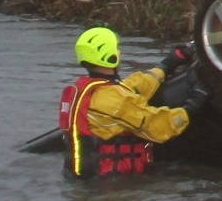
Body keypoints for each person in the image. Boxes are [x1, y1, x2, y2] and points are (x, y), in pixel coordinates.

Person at [59, 27, 207, 179]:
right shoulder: (114, 100)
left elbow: (133, 87)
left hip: (85, 179)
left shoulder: (86, 90)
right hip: (111, 184)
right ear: (109, 56)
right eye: (116, 49)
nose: (119, 53)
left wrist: (167, 65)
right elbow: (158, 126)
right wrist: (191, 107)